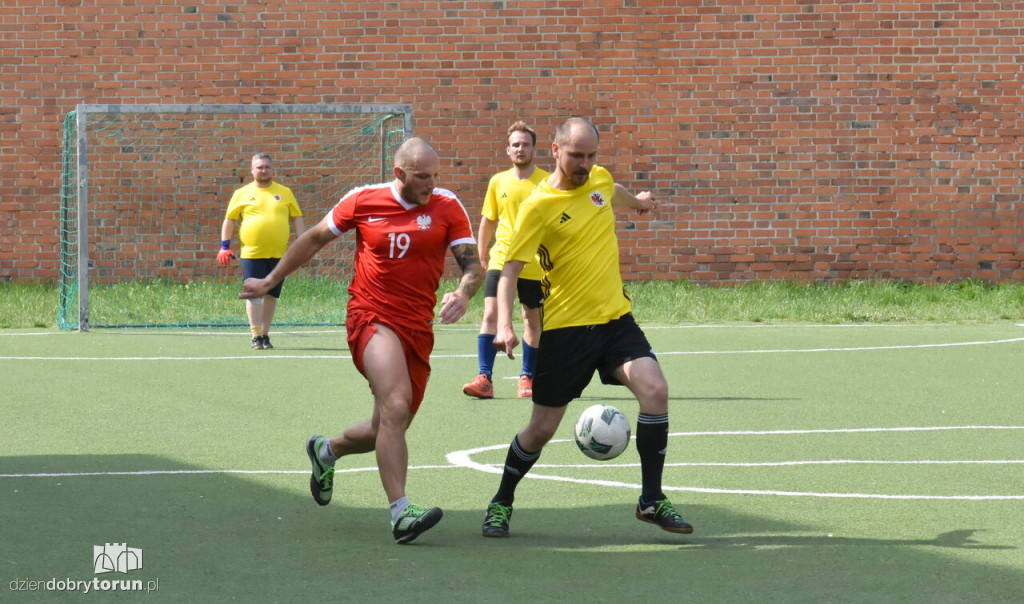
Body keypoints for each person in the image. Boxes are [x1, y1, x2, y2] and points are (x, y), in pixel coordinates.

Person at [240, 138, 482, 545]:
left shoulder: (446, 205)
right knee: (396, 404)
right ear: (399, 174)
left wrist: (463, 292)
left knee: (387, 425)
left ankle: (327, 450)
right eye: (423, 176)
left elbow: (473, 264)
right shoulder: (363, 200)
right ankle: (401, 513)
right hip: (370, 316)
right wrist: (271, 279)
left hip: (417, 328)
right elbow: (315, 238)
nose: (432, 183)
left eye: (436, 175)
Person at [480, 117, 693, 538]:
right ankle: (501, 500)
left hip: (616, 321)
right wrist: (504, 324)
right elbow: (509, 271)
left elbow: (613, 193)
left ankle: (651, 499)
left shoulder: (599, 179)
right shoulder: (538, 206)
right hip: (566, 332)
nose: (584, 163)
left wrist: (641, 203)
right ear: (555, 151)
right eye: (576, 154)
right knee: (540, 430)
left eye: (591, 154)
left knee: (656, 390)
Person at [462, 121, 549, 400]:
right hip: (501, 259)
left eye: (525, 144)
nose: (520, 149)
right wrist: (482, 255)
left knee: (530, 318)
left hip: (534, 264)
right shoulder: (497, 181)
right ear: (508, 150)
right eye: (515, 144)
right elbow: (488, 220)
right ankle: (484, 378)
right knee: (490, 314)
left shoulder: (548, 182)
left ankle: (527, 378)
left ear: (534, 148)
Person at [219, 152, 305, 350]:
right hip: (252, 254)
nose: (263, 170)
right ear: (252, 170)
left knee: (271, 295)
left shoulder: (285, 192)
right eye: (259, 167)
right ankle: (255, 336)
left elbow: (297, 217)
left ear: (273, 170)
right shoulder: (241, 193)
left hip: (279, 254)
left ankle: (265, 335)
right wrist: (225, 246)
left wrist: (302, 241)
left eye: (267, 167)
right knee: (254, 294)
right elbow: (230, 220)